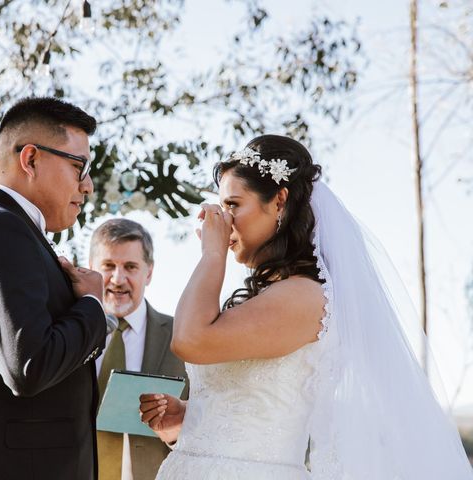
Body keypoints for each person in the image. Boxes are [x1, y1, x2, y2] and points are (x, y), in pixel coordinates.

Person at [140, 134, 473, 479]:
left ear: (279, 201)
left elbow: (190, 341)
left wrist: (212, 254)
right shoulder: (271, 295)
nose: (223, 221)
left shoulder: (304, 297)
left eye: (233, 205)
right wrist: (191, 417)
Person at [0, 97, 108, 480]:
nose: (88, 185)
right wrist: (94, 306)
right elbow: (29, 365)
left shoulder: (4, 229)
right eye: (78, 165)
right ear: (30, 159)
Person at [89, 219, 188, 480]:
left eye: (130, 267)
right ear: (91, 269)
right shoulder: (68, 333)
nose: (118, 279)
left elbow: (206, 416)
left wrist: (177, 432)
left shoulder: (183, 336)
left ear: (149, 272)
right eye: (108, 266)